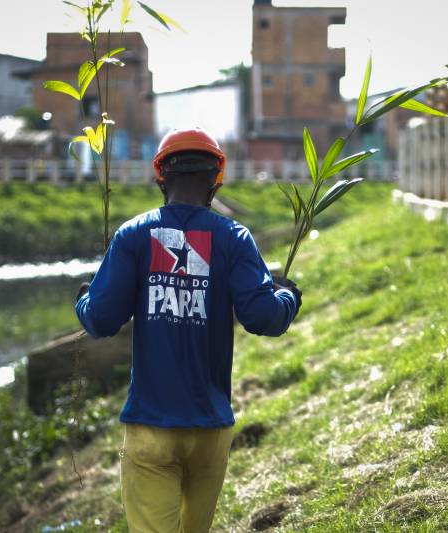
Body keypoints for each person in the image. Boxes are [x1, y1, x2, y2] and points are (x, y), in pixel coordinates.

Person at [75, 127, 302, 532]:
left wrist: (84, 300)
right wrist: (288, 296)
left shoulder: (133, 235)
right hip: (210, 431)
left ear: (161, 175)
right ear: (216, 179)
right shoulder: (234, 237)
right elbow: (264, 317)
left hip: (150, 428)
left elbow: (101, 320)